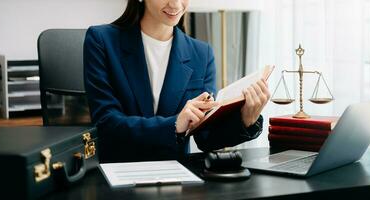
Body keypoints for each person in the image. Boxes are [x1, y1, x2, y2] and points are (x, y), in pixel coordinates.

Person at [84, 0, 270, 163]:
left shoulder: (201, 54)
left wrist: (245, 119)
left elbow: (206, 137)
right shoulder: (101, 40)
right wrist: (175, 124)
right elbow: (106, 123)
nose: (175, 4)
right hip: (117, 170)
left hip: (178, 175)